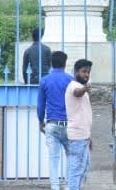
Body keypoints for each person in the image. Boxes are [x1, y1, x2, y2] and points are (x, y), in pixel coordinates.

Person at [37, 51, 72, 190]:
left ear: (51, 63)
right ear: (65, 63)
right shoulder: (70, 80)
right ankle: (69, 186)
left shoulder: (44, 80)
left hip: (51, 124)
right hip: (69, 124)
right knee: (71, 157)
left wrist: (41, 121)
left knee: (53, 159)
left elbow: (41, 104)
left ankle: (55, 187)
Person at [65, 59, 93, 190]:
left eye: (88, 72)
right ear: (76, 72)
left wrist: (89, 137)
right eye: (84, 72)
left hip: (84, 136)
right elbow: (78, 92)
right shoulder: (74, 86)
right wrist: (85, 88)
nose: (86, 74)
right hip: (77, 137)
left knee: (84, 168)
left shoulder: (80, 86)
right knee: (76, 170)